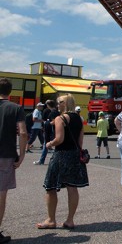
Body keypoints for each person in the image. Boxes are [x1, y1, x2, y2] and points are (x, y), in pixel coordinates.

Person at [38, 93, 89, 229]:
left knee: (51, 186)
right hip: (74, 154)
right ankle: (70, 220)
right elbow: (80, 141)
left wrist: (49, 143)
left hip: (61, 155)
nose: (57, 104)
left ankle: (51, 220)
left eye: (59, 102)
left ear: (64, 104)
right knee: (72, 187)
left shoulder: (61, 118)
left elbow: (59, 139)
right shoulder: (79, 118)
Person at [0, 78, 28, 243]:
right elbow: (23, 133)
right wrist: (22, 154)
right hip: (5, 154)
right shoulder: (16, 108)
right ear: (10, 91)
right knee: (1, 194)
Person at [34, 100, 57, 165]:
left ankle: (42, 160)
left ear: (48, 105)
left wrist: (47, 123)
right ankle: (43, 160)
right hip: (53, 131)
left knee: (46, 145)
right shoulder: (56, 111)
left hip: (50, 131)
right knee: (47, 145)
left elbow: (54, 121)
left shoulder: (52, 112)